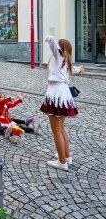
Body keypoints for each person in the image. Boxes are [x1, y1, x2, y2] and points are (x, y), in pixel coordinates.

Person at [40, 36, 84, 171]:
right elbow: (76, 70)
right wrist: (80, 69)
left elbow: (52, 41)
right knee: (61, 128)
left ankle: (61, 162)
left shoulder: (59, 57)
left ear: (60, 49)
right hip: (64, 95)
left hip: (56, 94)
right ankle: (66, 155)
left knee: (56, 131)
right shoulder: (66, 61)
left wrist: (49, 38)